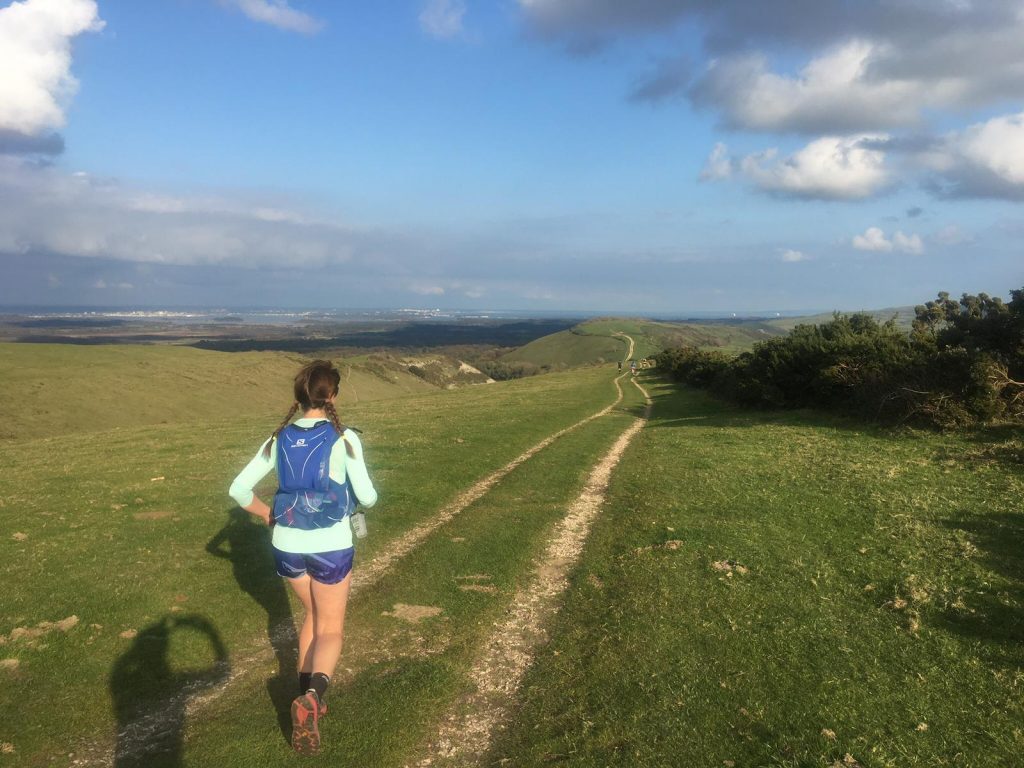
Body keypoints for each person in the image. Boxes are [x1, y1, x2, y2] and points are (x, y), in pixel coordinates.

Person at [229, 359, 377, 755]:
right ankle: (313, 699)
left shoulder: (277, 438)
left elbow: (238, 490)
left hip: (286, 544)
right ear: (334, 396)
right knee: (331, 627)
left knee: (311, 616)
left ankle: (303, 694)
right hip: (330, 544)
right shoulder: (344, 439)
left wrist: (268, 514)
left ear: (299, 397)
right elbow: (367, 497)